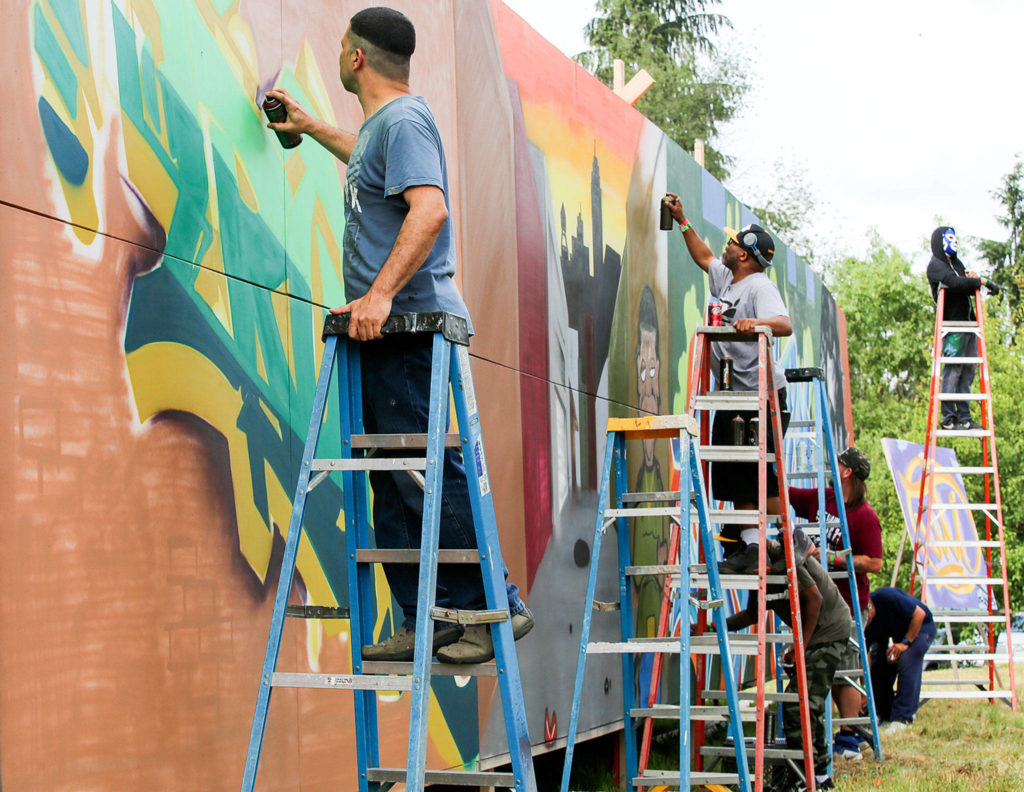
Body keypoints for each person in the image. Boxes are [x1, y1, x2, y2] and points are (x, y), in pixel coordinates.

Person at [265, 7, 532, 664]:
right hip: (387, 333)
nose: (336, 56)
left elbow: (430, 207)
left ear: (356, 57)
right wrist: (311, 127)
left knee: (420, 473)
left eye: (339, 47)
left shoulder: (407, 120)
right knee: (392, 476)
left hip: (410, 329)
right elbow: (371, 162)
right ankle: (427, 617)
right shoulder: (387, 127)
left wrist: (380, 294)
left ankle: (491, 605)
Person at [663, 194, 793, 571]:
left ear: (746, 256)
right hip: (736, 398)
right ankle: (751, 546)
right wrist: (683, 220)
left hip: (763, 398)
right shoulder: (728, 278)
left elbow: (784, 324)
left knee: (749, 475)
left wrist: (758, 324)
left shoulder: (758, 287)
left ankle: (784, 536)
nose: (727, 245)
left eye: (734, 242)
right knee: (731, 474)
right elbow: (703, 255)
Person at [720, 549, 850, 791]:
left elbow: (815, 599)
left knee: (797, 705)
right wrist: (713, 626)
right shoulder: (756, 570)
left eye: (733, 555)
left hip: (828, 630)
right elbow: (751, 614)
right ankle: (818, 776)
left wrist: (799, 646)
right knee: (810, 705)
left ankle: (804, 777)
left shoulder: (782, 554)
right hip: (816, 633)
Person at [790, 447, 883, 761]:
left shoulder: (864, 516)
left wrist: (832, 558)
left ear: (848, 472)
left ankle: (847, 738)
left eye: (839, 464)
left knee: (846, 669)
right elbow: (790, 495)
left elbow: (875, 562)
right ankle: (836, 733)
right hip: (819, 599)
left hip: (849, 602)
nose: (834, 467)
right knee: (823, 666)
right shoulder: (824, 498)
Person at [926, 225, 999, 431]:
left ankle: (964, 417)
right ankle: (949, 417)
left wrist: (976, 279)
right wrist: (981, 281)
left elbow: (966, 282)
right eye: (949, 238)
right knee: (954, 368)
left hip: (968, 324)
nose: (954, 242)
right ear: (940, 241)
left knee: (968, 370)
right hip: (952, 324)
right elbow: (956, 283)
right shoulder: (936, 265)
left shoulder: (956, 263)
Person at [863, 587, 936, 731]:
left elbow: (919, 614)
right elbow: (864, 660)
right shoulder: (864, 625)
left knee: (908, 659)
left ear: (870, 605)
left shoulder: (887, 596)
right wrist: (864, 691)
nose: (868, 621)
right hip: (896, 636)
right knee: (879, 664)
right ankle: (883, 714)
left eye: (868, 617)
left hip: (921, 627)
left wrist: (905, 643)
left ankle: (903, 717)